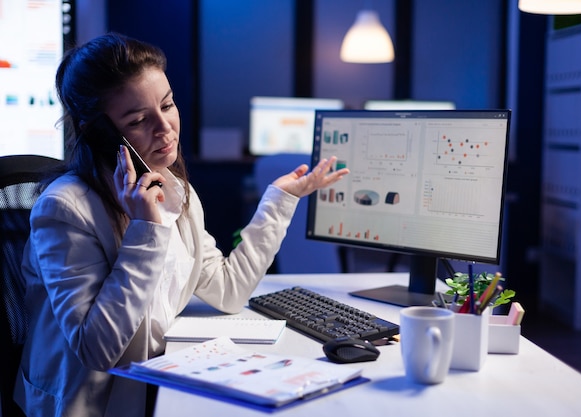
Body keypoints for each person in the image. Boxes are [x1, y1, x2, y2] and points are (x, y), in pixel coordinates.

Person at [14, 32, 349, 417]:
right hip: (95, 405)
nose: (165, 128)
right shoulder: (65, 210)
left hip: (157, 382)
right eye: (139, 119)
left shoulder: (173, 190)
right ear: (100, 133)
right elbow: (98, 350)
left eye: (168, 105)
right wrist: (146, 229)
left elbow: (228, 291)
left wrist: (279, 199)